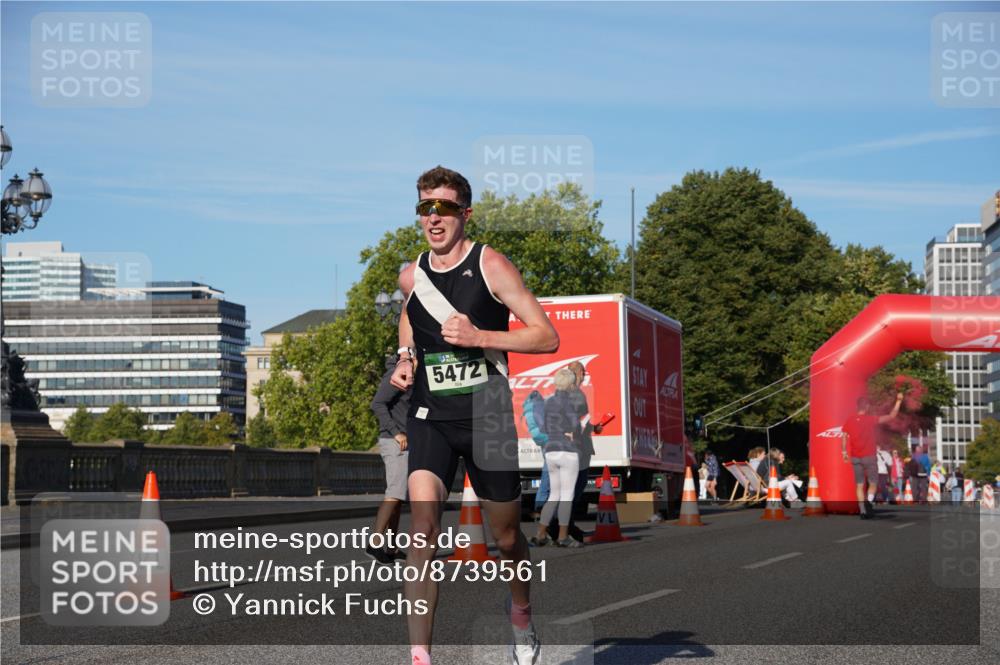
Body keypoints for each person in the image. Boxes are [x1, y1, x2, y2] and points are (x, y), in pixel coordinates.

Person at [390, 166, 558, 665]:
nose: (433, 218)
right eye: (425, 208)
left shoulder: (492, 266)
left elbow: (546, 337)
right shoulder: (410, 274)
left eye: (443, 208)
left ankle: (522, 617)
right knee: (422, 530)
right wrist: (405, 358)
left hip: (487, 413)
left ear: (465, 213)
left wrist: (480, 337)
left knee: (505, 537)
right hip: (430, 414)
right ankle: (419, 656)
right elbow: (410, 316)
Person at [531, 368, 583, 548]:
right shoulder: (568, 401)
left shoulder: (548, 402)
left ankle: (540, 533)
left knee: (553, 495)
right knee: (567, 496)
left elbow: (543, 427)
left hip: (550, 451)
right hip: (567, 451)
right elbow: (576, 425)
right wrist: (574, 432)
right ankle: (563, 537)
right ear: (570, 385)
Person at [368, 355, 412, 565]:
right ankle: (374, 543)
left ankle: (391, 548)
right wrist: (396, 433)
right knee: (394, 493)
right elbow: (377, 404)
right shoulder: (396, 372)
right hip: (394, 441)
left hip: (405, 441)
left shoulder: (415, 374)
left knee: (399, 495)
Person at [841, 392, 904, 519]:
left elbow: (844, 436)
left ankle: (863, 511)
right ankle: (868, 502)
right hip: (869, 456)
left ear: (857, 406)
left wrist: (844, 451)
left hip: (855, 457)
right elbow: (892, 416)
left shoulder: (850, 420)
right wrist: (898, 401)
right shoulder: (871, 419)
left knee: (859, 485)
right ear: (867, 407)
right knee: (873, 483)